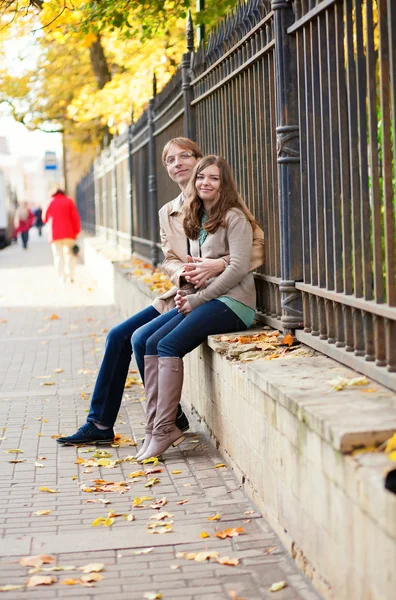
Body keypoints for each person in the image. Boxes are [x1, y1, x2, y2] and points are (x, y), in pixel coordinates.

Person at [57, 139, 264, 447]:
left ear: (198, 162)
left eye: (185, 156)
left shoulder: (222, 202)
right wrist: (181, 273)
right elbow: (168, 257)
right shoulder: (168, 212)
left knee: (144, 339)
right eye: (170, 160)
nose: (177, 163)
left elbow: (254, 247)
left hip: (212, 293)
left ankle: (168, 419)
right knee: (119, 336)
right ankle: (99, 423)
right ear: (166, 169)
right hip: (181, 291)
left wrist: (214, 265)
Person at [133, 156, 258, 462]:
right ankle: (155, 426)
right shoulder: (199, 218)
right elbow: (196, 268)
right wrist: (186, 292)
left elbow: (239, 268)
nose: (205, 183)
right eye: (201, 177)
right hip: (205, 298)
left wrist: (197, 300)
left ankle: (165, 429)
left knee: (169, 344)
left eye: (214, 178)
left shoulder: (234, 217)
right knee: (148, 341)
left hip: (235, 303)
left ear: (223, 183)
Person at [43, 188, 81, 284]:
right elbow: (75, 218)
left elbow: (44, 218)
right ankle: (71, 275)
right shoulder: (69, 201)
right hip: (69, 233)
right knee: (69, 255)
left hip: (55, 235)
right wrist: (77, 231)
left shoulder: (49, 202)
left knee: (58, 256)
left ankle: (62, 277)